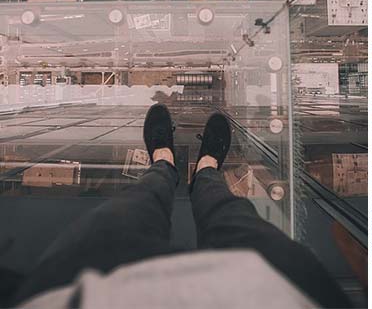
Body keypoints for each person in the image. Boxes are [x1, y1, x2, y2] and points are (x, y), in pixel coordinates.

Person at [10, 104, 350, 309]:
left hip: (79, 293)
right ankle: (205, 168)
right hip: (278, 293)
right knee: (231, 213)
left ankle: (164, 160)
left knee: (135, 205)